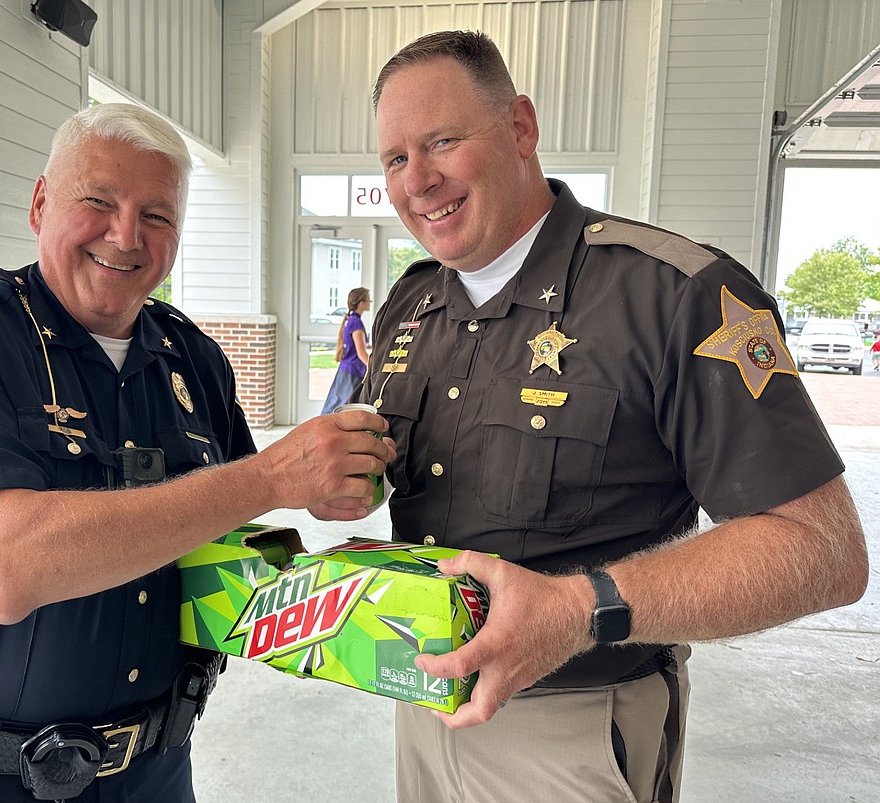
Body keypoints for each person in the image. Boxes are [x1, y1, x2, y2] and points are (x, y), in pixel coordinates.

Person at [363, 30, 868, 803]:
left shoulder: (678, 295)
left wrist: (577, 608)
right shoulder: (411, 301)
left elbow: (825, 550)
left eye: (442, 142)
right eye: (396, 158)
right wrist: (347, 478)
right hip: (423, 705)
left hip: (574, 729)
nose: (418, 180)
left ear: (521, 128)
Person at [0, 103, 394, 800]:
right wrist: (270, 477)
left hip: (155, 768)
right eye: (99, 201)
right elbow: (5, 568)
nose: (126, 234)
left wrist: (341, 549)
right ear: (41, 203)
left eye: (158, 215)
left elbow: (231, 536)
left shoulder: (191, 358)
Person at [320, 287, 372, 413]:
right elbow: (361, 353)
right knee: (343, 407)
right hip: (353, 371)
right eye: (369, 300)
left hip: (346, 369)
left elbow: (354, 345)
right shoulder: (356, 323)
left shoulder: (351, 320)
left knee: (335, 403)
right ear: (362, 303)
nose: (370, 303)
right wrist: (374, 367)